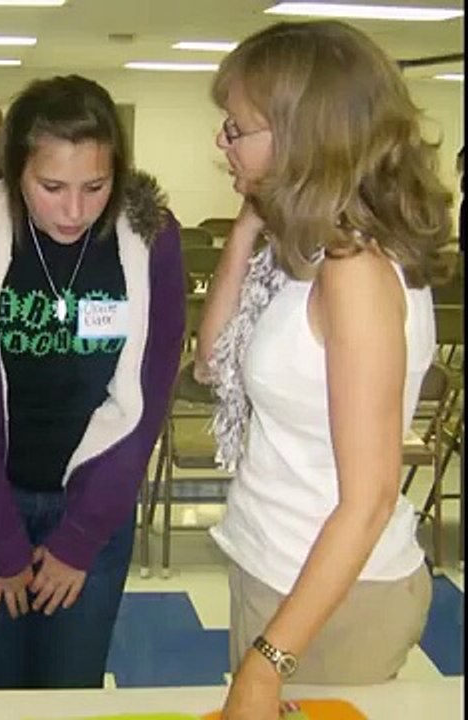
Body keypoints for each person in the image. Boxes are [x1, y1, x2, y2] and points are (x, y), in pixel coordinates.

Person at [193, 20, 452, 720]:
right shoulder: (303, 246)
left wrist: (267, 663)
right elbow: (211, 362)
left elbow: (366, 501)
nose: (224, 143)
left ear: (302, 136)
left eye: (237, 128)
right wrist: (249, 225)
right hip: (273, 560)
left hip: (333, 597)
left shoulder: (356, 271)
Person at [0, 74, 186, 689]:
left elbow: (144, 401)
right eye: (52, 187)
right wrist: (6, 546)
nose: (74, 210)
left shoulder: (150, 239)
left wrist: (81, 535)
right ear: (16, 172)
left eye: (95, 186)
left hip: (92, 505)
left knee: (71, 692)